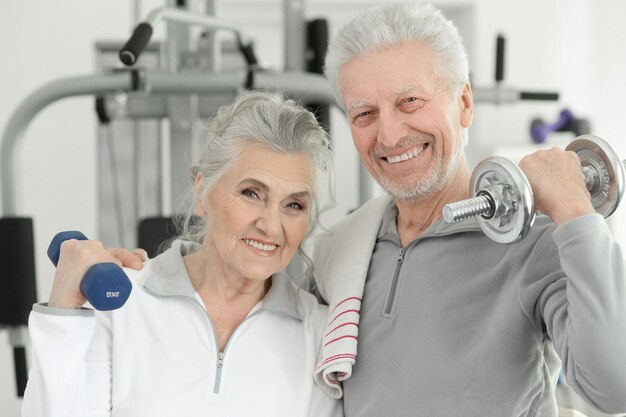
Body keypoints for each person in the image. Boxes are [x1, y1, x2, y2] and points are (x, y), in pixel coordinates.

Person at [309, 2, 626, 417]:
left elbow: (615, 388)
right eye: (365, 113)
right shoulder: (339, 250)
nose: (388, 134)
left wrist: (572, 208)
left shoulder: (536, 242)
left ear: (464, 104)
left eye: (409, 101)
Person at [21, 91, 343, 417]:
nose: (272, 226)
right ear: (202, 192)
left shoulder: (320, 334)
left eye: (294, 205)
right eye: (252, 193)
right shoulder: (122, 305)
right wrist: (63, 313)